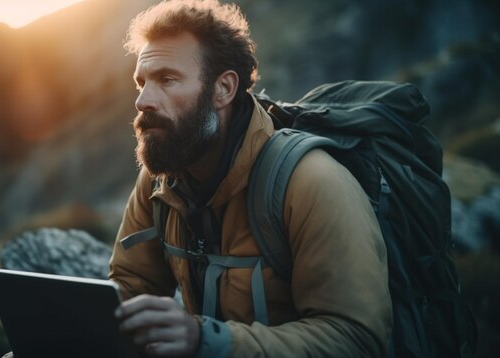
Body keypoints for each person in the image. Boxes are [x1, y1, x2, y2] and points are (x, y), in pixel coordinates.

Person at [109, 0, 392, 357]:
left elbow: (356, 339)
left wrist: (208, 341)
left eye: (167, 79)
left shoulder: (311, 182)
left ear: (223, 89)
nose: (143, 101)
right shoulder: (159, 182)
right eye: (141, 83)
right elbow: (130, 290)